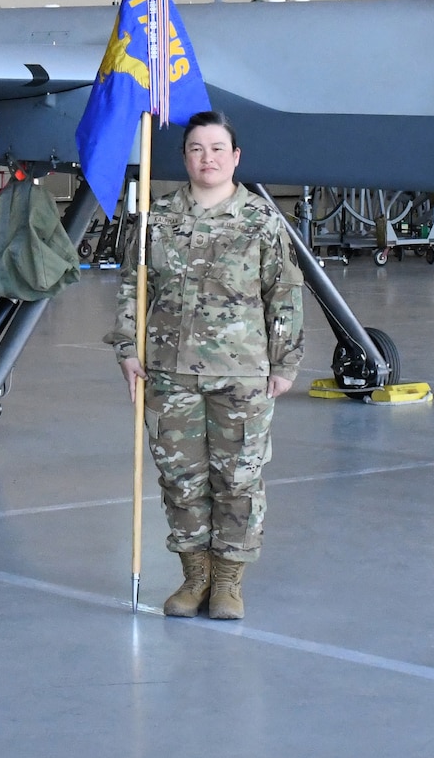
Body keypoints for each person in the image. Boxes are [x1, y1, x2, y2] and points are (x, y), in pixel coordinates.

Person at [106, 110, 303, 620]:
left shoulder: (261, 221)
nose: (207, 158)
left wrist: (285, 362)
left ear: (235, 157)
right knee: (181, 478)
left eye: (217, 148)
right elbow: (133, 284)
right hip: (170, 372)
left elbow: (283, 293)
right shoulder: (159, 217)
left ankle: (229, 584)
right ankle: (195, 578)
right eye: (196, 148)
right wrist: (128, 348)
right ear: (184, 157)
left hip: (242, 374)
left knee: (238, 480)